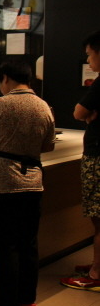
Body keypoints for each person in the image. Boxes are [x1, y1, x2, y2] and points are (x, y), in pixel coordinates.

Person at [0, 61, 55, 306]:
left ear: (5, 78)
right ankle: (27, 302)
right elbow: (48, 146)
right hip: (33, 181)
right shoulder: (43, 106)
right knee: (28, 243)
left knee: (5, 244)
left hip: (3, 182)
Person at [61, 30, 100, 291]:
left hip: (98, 157)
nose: (88, 60)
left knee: (99, 218)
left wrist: (88, 115)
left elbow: (78, 112)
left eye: (89, 54)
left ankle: (96, 274)